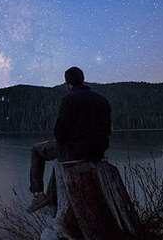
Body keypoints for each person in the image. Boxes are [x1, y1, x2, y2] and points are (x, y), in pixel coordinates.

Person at [28, 66, 111, 213]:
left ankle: (38, 194)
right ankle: (53, 202)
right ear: (83, 79)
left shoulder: (69, 98)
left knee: (37, 149)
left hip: (77, 151)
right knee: (59, 155)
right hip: (98, 151)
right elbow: (107, 130)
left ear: (68, 83)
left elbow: (60, 134)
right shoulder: (102, 100)